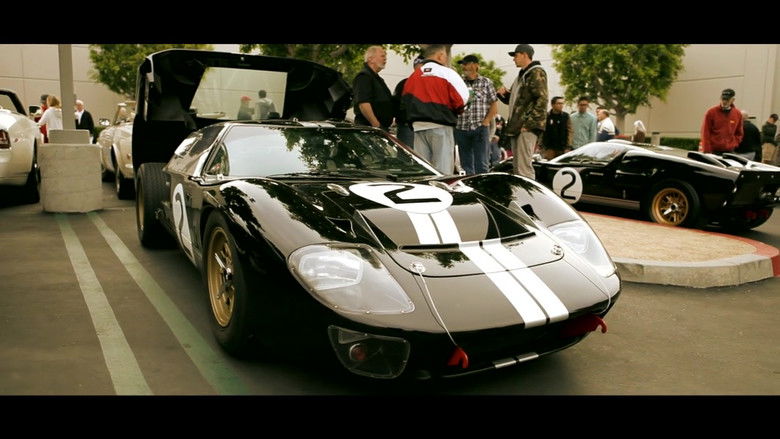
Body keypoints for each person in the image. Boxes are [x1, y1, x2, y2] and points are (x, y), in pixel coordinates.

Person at [402, 44, 469, 175]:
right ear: (440, 55)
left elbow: (404, 103)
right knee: (443, 172)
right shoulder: (447, 73)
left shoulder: (413, 76)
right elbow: (462, 99)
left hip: (418, 127)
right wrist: (458, 110)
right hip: (441, 125)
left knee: (423, 172)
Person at [496, 44, 548, 179]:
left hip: (526, 127)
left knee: (524, 168)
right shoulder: (522, 75)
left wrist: (529, 125)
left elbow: (542, 99)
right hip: (517, 127)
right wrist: (503, 94)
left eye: (516, 55)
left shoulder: (536, 72)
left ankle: (531, 192)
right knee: (518, 167)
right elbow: (515, 101)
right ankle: (521, 191)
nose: (513, 59)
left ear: (525, 55)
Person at [454, 54, 498, 175]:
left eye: (466, 64)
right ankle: (470, 185)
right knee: (466, 165)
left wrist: (486, 122)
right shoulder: (459, 82)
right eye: (462, 65)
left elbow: (494, 105)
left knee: (482, 164)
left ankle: (482, 185)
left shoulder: (486, 82)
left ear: (475, 65)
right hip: (461, 128)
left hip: (480, 128)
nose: (463, 67)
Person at [353, 46, 394, 130]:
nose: (385, 59)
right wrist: (376, 125)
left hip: (379, 128)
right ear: (370, 59)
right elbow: (363, 103)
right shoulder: (364, 76)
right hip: (369, 129)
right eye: (382, 56)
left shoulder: (377, 78)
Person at [393, 56, 426, 147]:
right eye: (418, 68)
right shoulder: (404, 84)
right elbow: (396, 104)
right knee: (406, 153)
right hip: (407, 127)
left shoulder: (432, 84)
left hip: (426, 128)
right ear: (414, 68)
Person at [700, 88, 743, 155]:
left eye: (727, 100)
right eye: (723, 99)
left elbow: (739, 133)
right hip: (713, 151)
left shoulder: (737, 114)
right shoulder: (711, 112)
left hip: (729, 151)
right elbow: (705, 132)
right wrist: (707, 151)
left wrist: (734, 143)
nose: (724, 102)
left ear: (733, 100)